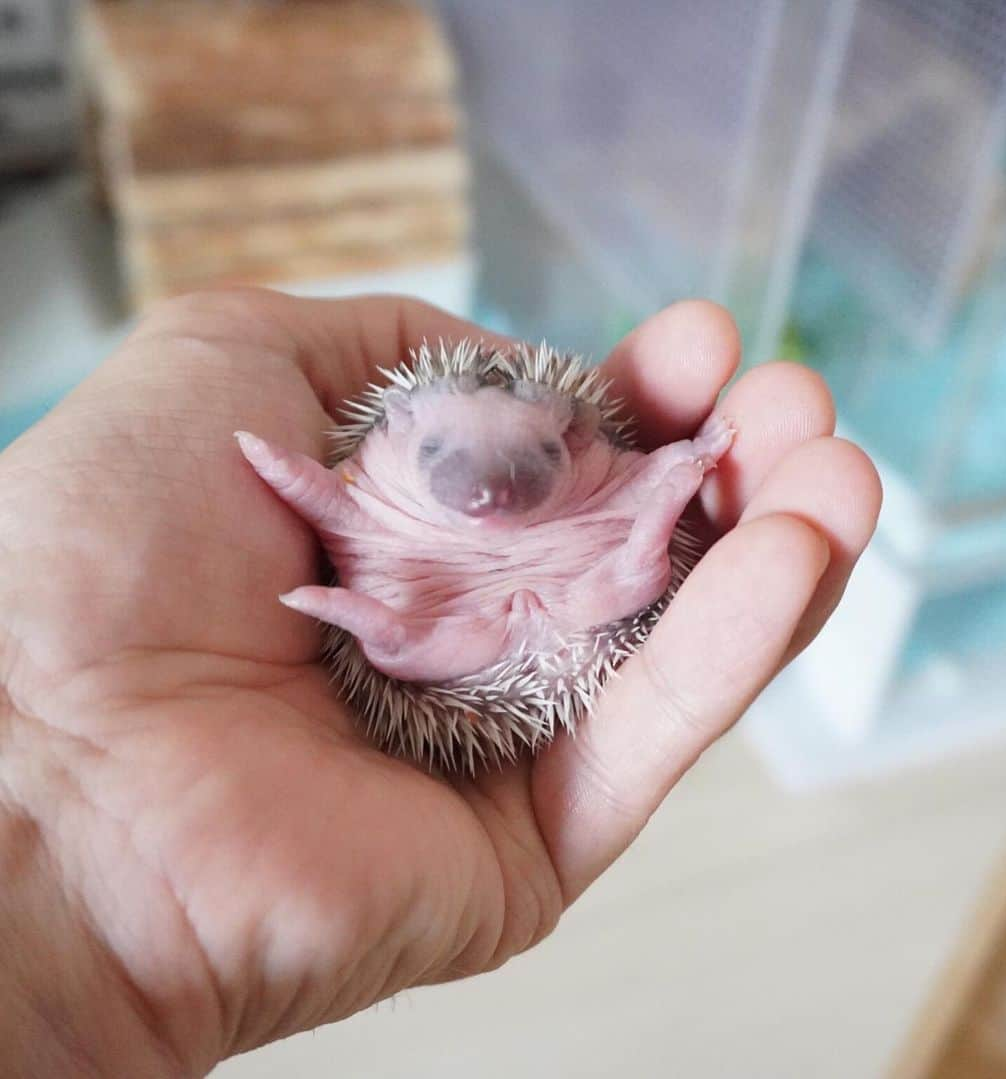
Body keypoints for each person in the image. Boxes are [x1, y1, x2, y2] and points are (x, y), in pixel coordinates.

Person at [0, 290, 881, 1076]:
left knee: (622, 571)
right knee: (476, 599)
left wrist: (682, 465)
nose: (489, 487)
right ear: (395, 434)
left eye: (531, 451)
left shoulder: (585, 464)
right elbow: (339, 508)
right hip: (453, 622)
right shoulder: (378, 476)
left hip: (564, 599)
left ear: (574, 436)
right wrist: (285, 474)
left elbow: (637, 473)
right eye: (445, 451)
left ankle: (400, 627)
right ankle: (389, 633)